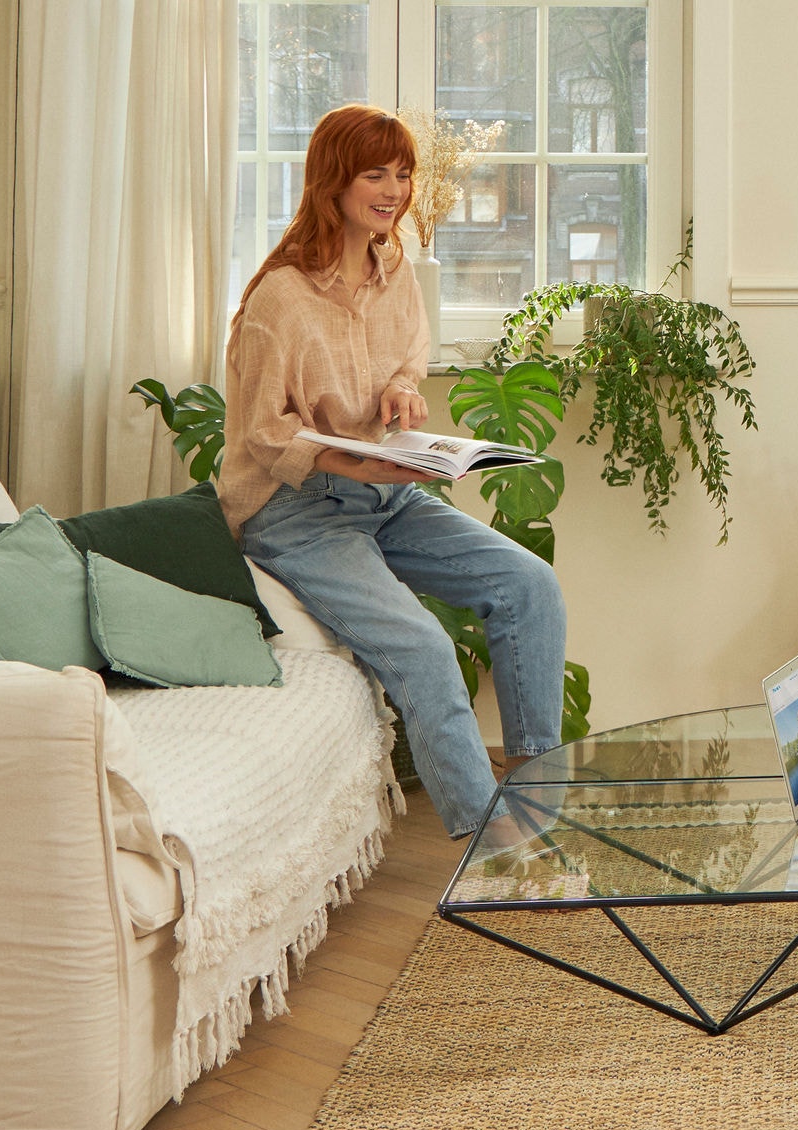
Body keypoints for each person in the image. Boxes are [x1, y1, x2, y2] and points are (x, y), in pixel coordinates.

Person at [219, 104, 566, 840]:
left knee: (529, 585)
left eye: (402, 174)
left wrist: (402, 393)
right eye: (376, 173)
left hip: (383, 492)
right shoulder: (278, 297)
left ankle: (537, 812)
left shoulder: (395, 268)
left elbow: (407, 355)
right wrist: (360, 459)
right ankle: (491, 844)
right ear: (332, 180)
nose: (394, 189)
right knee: (423, 647)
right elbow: (265, 432)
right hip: (296, 506)